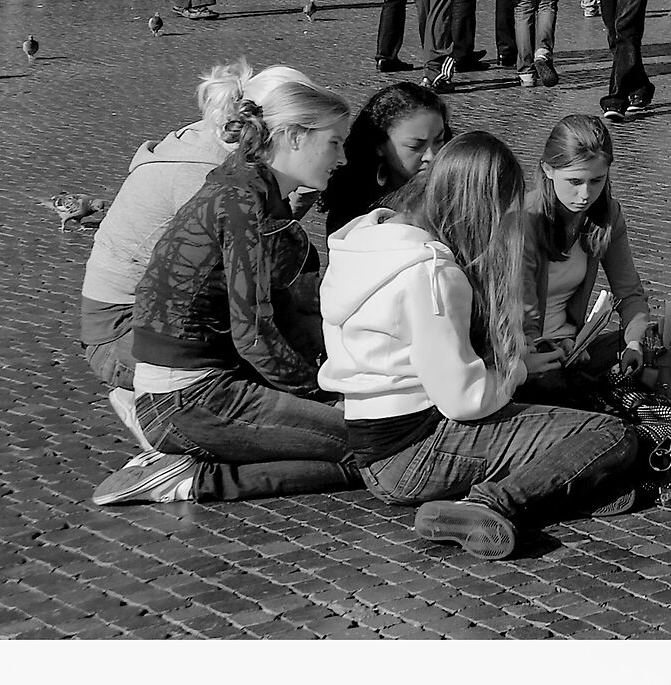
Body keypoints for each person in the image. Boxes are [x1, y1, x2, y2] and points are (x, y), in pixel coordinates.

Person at [320, 132, 646, 560]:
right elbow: (465, 399)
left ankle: (569, 490)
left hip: (373, 440)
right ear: (482, 209)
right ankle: (488, 504)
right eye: (505, 216)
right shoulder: (433, 273)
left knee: (575, 421)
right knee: (610, 433)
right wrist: (519, 369)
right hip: (418, 446)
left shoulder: (369, 241)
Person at [92, 72, 357, 506]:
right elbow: (254, 335)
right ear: (292, 136)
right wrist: (324, 392)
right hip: (189, 396)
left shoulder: (243, 183)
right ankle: (190, 479)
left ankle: (192, 450)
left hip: (187, 383)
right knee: (371, 448)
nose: (342, 158)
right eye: (334, 142)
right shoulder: (243, 204)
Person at [79, 62, 321, 425]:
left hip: (144, 318)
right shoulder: (217, 176)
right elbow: (262, 271)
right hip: (125, 333)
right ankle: (152, 416)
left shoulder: (223, 140)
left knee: (306, 315)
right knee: (270, 362)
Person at [502, 114, 660, 407]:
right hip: (527, 351)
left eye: (597, 180)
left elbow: (629, 292)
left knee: (656, 348)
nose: (585, 194)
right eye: (574, 181)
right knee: (569, 392)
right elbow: (522, 315)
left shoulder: (607, 215)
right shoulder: (524, 221)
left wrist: (635, 341)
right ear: (548, 170)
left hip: (574, 345)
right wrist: (554, 348)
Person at [324, 81, 451, 234]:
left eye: (439, 141)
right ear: (380, 145)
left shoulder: (455, 197)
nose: (432, 156)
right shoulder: (352, 207)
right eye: (415, 146)